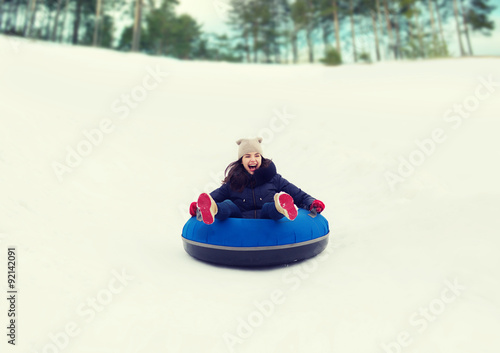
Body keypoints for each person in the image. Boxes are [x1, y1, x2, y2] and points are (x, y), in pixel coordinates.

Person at [189, 137, 325, 225]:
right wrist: (198, 207)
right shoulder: (234, 182)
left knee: (269, 207)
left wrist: (312, 203)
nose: (253, 159)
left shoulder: (274, 179)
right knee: (228, 205)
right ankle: (213, 209)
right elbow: (213, 196)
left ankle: (281, 206)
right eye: (247, 156)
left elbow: (298, 194)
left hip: (266, 219)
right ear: (241, 160)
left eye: (256, 155)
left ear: (261, 158)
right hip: (240, 220)